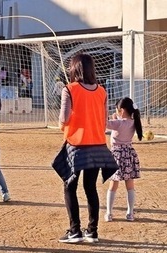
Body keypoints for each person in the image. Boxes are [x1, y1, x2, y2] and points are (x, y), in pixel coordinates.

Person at [58, 54, 118, 244]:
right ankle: (92, 231)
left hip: (76, 145)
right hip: (98, 145)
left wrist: (63, 126)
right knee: (90, 188)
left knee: (69, 186)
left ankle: (74, 231)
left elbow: (64, 118)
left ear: (74, 68)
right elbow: (104, 121)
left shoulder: (69, 89)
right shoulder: (102, 91)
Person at [105, 97, 142, 222]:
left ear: (121, 110)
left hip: (117, 155)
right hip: (128, 154)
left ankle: (109, 213)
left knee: (113, 185)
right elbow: (123, 123)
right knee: (130, 185)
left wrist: (109, 115)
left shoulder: (119, 123)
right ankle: (130, 213)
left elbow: (106, 123)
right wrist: (117, 118)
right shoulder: (133, 121)